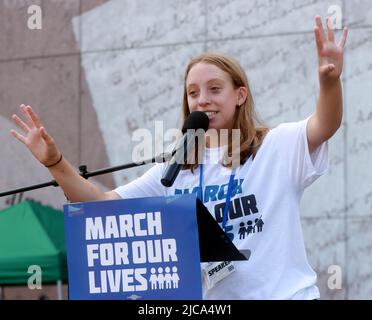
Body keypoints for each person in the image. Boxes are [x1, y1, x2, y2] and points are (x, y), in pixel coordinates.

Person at [10, 16, 348, 299]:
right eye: (193, 93)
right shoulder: (176, 170)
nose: (203, 99)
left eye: (215, 89)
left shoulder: (274, 146)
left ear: (240, 94)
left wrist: (329, 82)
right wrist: (55, 162)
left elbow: (325, 124)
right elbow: (101, 203)